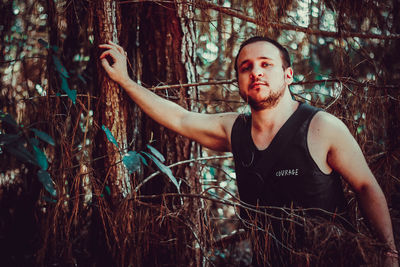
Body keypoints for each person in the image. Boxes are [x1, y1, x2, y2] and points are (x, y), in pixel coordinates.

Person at [99, 36, 398, 266]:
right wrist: (125, 81)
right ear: (239, 84)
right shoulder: (234, 130)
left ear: (288, 74)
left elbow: (365, 186)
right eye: (247, 67)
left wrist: (389, 252)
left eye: (266, 64)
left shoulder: (322, 127)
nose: (256, 71)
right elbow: (179, 118)